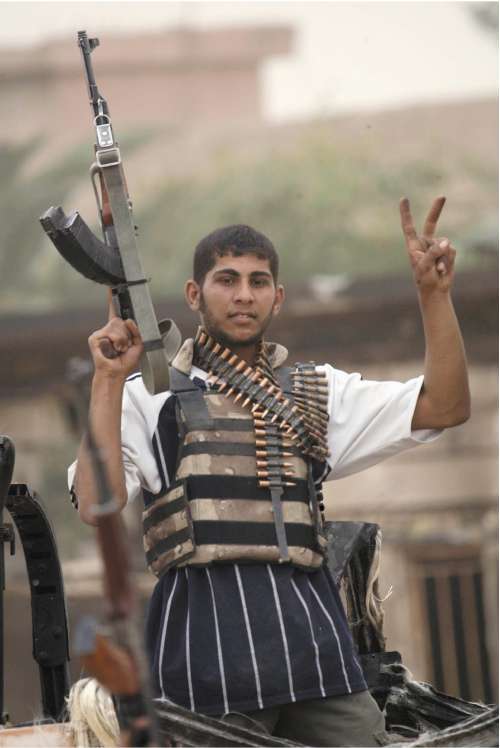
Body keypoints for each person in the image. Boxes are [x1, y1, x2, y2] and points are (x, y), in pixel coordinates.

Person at [69, 196, 470, 747]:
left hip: (312, 642)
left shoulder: (313, 391)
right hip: (202, 647)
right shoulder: (149, 398)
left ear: (277, 298)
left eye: (258, 282)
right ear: (194, 294)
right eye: (226, 279)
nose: (243, 295)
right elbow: (96, 504)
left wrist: (434, 297)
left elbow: (444, 406)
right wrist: (108, 382)